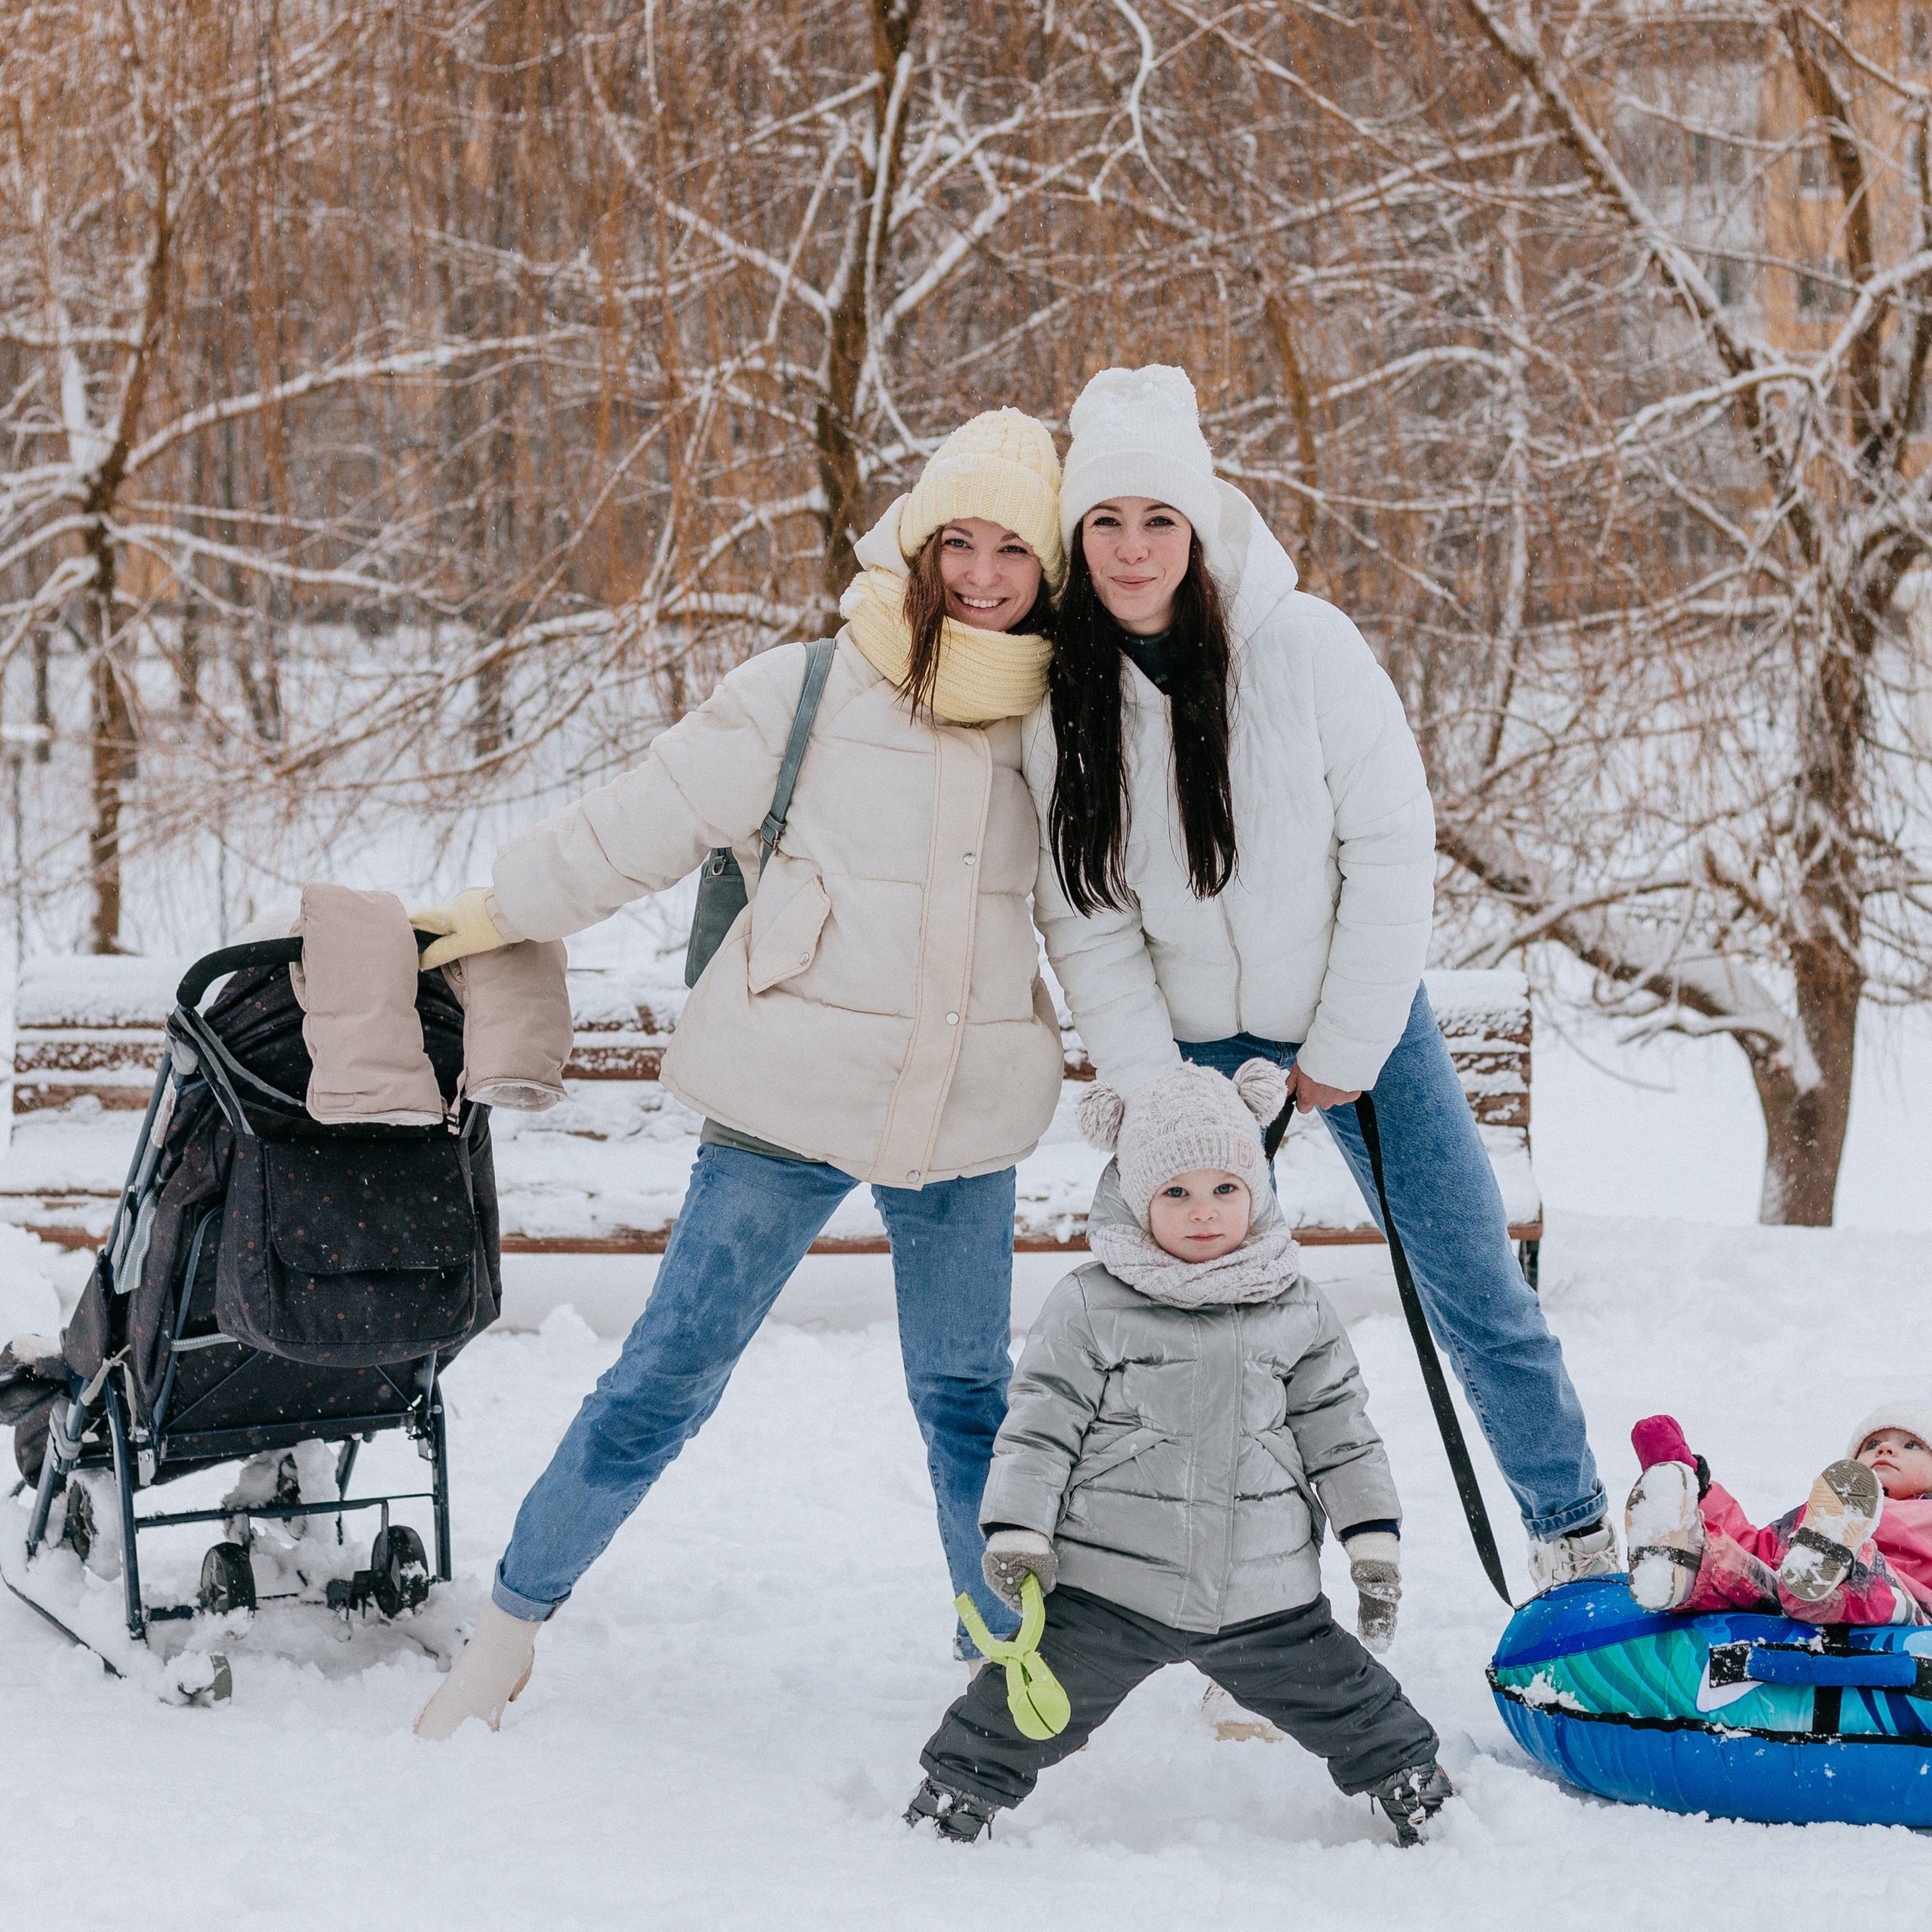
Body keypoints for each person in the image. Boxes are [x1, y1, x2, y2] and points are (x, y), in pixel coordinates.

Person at [409, 409, 1072, 1737]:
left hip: (963, 1112)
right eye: (962, 542)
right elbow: (636, 824)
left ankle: (1003, 1663)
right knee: (665, 1377)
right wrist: (497, 909)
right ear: (920, 541)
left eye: (1015, 550)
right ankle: (510, 1628)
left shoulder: (1057, 729)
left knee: (970, 1404)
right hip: (786, 1095)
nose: (985, 574)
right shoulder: (807, 690)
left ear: (1048, 571)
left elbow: (1100, 925)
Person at [1023, 363, 1611, 1591]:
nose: (1134, 550)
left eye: (1159, 519)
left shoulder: (1304, 645)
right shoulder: (1062, 701)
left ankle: (1575, 1537)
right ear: (1077, 538)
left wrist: (1340, 1049)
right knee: (1185, 1321)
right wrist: (1158, 1093)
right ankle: (1210, 1581)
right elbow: (1086, 920)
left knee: (1471, 1285)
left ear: (1197, 522)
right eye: (1106, 523)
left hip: (1360, 1025)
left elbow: (1393, 847)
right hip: (1186, 1052)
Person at [904, 1060, 1454, 1847]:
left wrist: (1370, 1538)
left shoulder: (1295, 1305)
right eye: (1176, 1193)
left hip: (1262, 1595)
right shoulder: (1093, 1303)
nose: (1204, 1213)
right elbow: (1039, 1423)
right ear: (1135, 1196)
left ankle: (1412, 1784)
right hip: (1111, 1588)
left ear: (1257, 1190)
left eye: (1225, 1189)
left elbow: (1341, 1430)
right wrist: (1019, 1529)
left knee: (1355, 1704)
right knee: (1013, 1710)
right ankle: (952, 1797)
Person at [1623, 1405, 1932, 1626]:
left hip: (1904, 1607)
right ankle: (1684, 1549)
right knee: (1746, 1572)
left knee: (1868, 1578)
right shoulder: (1819, 1513)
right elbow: (1756, 1549)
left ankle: (1836, 1560)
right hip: (1790, 1588)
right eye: (1873, 1444)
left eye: (1911, 1444)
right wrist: (1700, 1490)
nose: (1886, 1449)